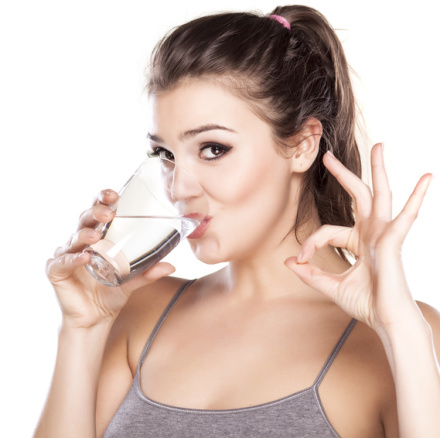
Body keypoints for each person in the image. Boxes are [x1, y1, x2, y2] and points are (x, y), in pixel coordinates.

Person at [34, 5, 440, 438]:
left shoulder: (400, 333)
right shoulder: (138, 313)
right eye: (166, 155)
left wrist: (399, 329)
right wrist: (82, 328)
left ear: (303, 146)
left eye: (213, 149)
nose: (178, 189)